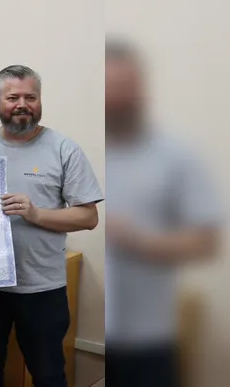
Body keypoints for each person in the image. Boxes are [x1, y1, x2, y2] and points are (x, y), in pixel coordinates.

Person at [0, 65, 103, 387]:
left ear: (40, 100)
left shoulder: (64, 149)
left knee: (48, 375)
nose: (22, 104)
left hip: (42, 288)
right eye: (12, 97)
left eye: (31, 97)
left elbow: (88, 217)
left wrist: (36, 214)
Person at [104, 39, 221, 387]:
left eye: (125, 87)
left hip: (147, 343)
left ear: (141, 89)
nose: (117, 98)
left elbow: (207, 243)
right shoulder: (92, 153)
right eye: (110, 88)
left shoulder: (175, 155)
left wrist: (139, 241)